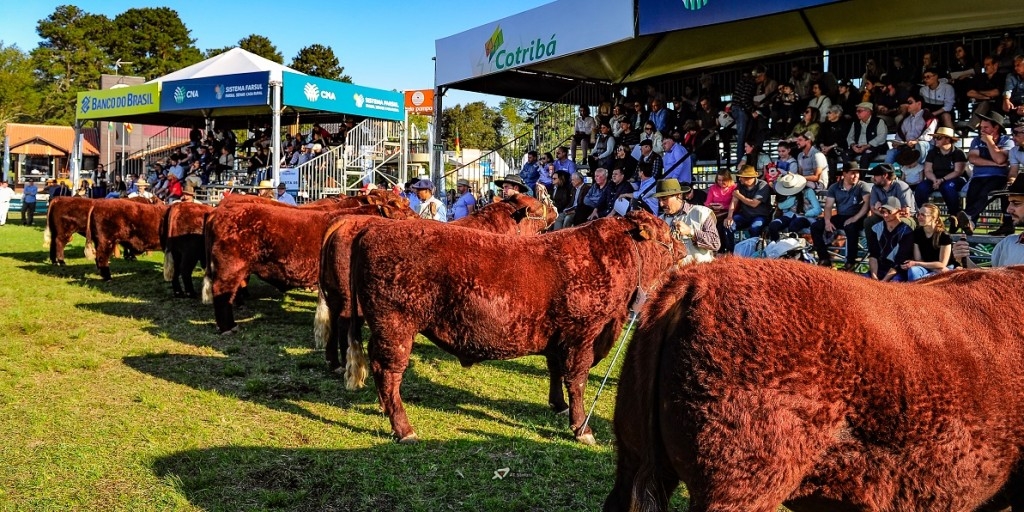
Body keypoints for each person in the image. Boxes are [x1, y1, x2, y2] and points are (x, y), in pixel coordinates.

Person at [957, 112, 1014, 236]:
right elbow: (972, 158)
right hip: (978, 177)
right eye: (981, 128)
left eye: (985, 127)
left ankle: (968, 217)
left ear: (996, 127)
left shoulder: (1006, 140)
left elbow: (1000, 158)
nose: (982, 130)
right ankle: (971, 223)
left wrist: (989, 142)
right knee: (972, 194)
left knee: (986, 193)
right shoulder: (976, 140)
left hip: (998, 177)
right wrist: (995, 164)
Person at [810, 163, 871, 270]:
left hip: (859, 216)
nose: (856, 175)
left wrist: (855, 218)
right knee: (816, 226)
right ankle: (824, 258)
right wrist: (828, 221)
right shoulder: (835, 187)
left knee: (851, 227)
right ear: (845, 174)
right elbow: (828, 206)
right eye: (853, 173)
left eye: (857, 173)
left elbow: (867, 203)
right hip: (841, 215)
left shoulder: (862, 185)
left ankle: (850, 262)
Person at [952, 179, 1024, 267]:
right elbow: (992, 280)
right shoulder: (1007, 243)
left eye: (1016, 203)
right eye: (1009, 203)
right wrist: (964, 260)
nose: (1008, 209)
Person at [654, 178, 719, 264]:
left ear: (678, 195)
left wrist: (691, 233)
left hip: (700, 273)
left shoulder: (701, 213)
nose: (661, 204)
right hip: (671, 274)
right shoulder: (659, 221)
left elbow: (715, 243)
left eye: (664, 199)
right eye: (659, 200)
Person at [724, 165, 772, 251]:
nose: (739, 179)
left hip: (760, 216)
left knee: (754, 228)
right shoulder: (740, 186)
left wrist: (739, 196)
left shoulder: (763, 185)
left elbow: (754, 203)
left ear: (748, 178)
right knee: (729, 225)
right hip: (745, 215)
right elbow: (734, 201)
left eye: (741, 177)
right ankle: (731, 250)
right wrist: (729, 216)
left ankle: (754, 251)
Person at [900, 203, 953, 281]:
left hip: (944, 268)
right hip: (928, 266)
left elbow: (942, 264)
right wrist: (917, 263)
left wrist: (915, 263)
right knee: (913, 271)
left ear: (933, 218)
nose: (919, 217)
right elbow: (918, 259)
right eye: (918, 214)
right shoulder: (917, 233)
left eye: (923, 215)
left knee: (930, 278)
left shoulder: (944, 236)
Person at [867, 197, 915, 281]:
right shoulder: (875, 228)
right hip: (878, 270)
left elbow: (900, 260)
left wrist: (884, 281)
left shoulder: (907, 232)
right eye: (882, 211)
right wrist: (874, 276)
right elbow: (873, 255)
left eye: (889, 211)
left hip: (897, 272)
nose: (885, 215)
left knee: (893, 285)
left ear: (898, 211)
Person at [767, 173, 821, 242]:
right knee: (773, 226)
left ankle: (792, 247)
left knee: (793, 226)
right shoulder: (787, 193)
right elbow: (781, 206)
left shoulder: (808, 192)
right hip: (789, 216)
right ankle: (776, 245)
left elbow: (817, 209)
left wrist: (806, 213)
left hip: (805, 218)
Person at [847, 101, 889, 169]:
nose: (857, 113)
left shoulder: (878, 121)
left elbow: (881, 137)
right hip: (858, 147)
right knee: (845, 154)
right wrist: (853, 145)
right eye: (857, 111)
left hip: (873, 147)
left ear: (868, 111)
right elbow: (850, 137)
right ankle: (849, 175)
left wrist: (867, 145)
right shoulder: (855, 123)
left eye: (859, 111)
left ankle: (861, 178)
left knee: (866, 156)